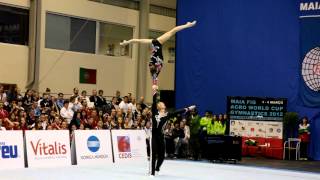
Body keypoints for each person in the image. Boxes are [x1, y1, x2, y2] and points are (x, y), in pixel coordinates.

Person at [120, 21, 196, 86]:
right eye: (151, 67)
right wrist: (154, 85)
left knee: (138, 40)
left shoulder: (152, 64)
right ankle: (188, 25)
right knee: (172, 31)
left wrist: (154, 83)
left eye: (150, 67)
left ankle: (127, 42)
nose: (150, 66)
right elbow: (155, 77)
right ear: (155, 68)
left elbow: (154, 76)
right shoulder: (158, 67)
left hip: (155, 43)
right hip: (157, 43)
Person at [150, 85, 195, 176]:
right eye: (161, 103)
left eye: (163, 103)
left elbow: (178, 111)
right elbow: (154, 101)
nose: (162, 104)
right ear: (158, 106)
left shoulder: (167, 115)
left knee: (162, 156)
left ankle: (157, 167)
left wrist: (188, 108)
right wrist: (154, 90)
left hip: (161, 136)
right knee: (154, 153)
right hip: (154, 135)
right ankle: (152, 173)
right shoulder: (154, 111)